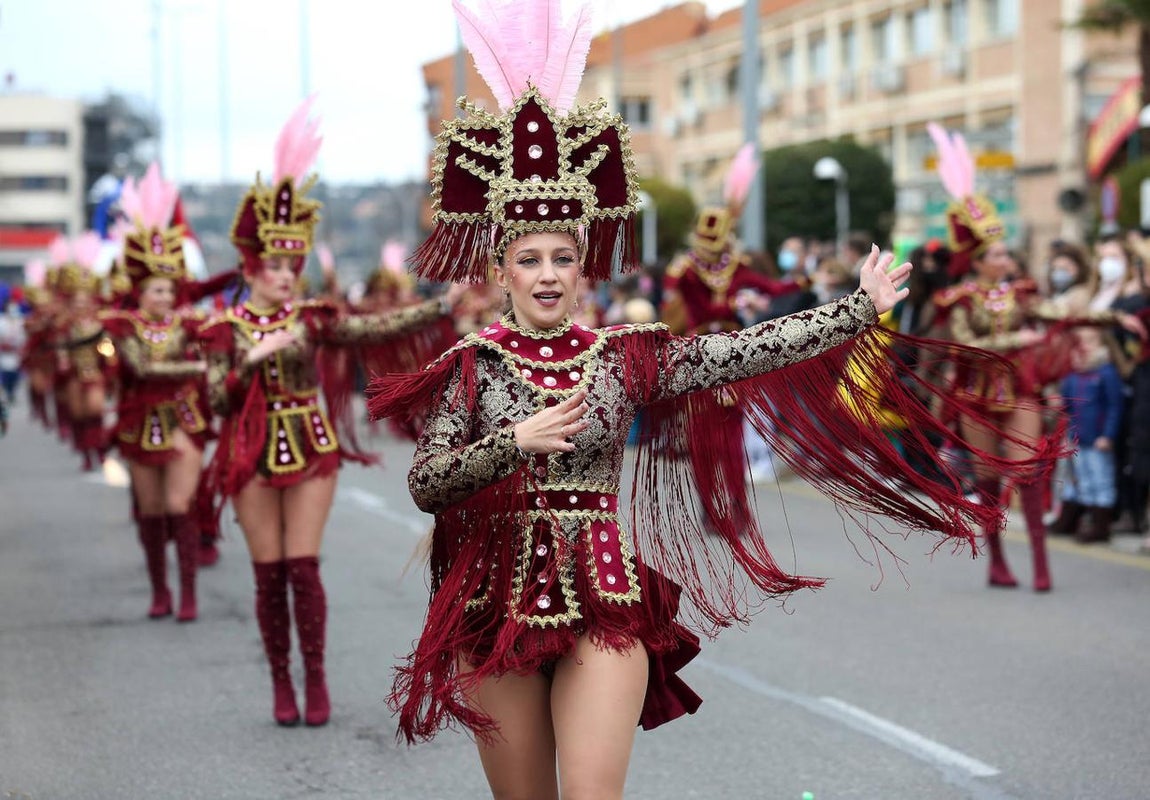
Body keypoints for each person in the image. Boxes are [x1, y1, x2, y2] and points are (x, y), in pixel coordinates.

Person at [366, 5, 1054, 796]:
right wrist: (511, 444)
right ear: (503, 269)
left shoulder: (624, 358)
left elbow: (743, 347)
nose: (550, 273)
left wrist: (855, 312)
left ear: (585, 267)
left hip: (604, 599)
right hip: (496, 606)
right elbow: (426, 481)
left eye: (564, 256)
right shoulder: (469, 367)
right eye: (531, 259)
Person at [198, 96, 457, 728]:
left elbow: (375, 329)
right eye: (275, 265)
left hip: (311, 448)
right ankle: (281, 682)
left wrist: (439, 306)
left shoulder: (314, 319)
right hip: (247, 450)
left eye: (294, 264)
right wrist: (257, 354)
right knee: (268, 574)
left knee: (303, 567)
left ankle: (316, 676)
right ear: (251, 265)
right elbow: (212, 399)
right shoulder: (224, 327)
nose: (287, 275)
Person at [927, 122, 1144, 591]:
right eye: (999, 253)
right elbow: (968, 344)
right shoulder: (959, 299)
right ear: (979, 259)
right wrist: (1019, 341)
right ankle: (998, 562)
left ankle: (1041, 563)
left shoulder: (1022, 293)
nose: (1007, 259)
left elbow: (1058, 313)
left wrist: (1111, 320)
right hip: (975, 395)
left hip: (1017, 391)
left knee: (1026, 471)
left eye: (1007, 253)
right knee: (986, 481)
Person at [99, 163, 219, 622]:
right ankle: (159, 589)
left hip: (182, 419)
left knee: (177, 504)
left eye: (169, 289)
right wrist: (186, 365)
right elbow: (139, 367)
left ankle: (188, 590)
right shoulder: (123, 326)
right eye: (154, 290)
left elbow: (208, 359)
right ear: (140, 291)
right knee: (149, 511)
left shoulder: (193, 323)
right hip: (138, 421)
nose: (163, 297)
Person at [1052, 334, 1125, 542]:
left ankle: (1101, 525)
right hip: (1078, 437)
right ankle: (1085, 521)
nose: (1084, 346)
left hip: (1096, 439)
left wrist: (1108, 435)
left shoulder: (1106, 373)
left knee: (1100, 480)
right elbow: (1067, 405)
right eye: (1081, 342)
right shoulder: (1075, 374)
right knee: (1082, 480)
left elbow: (1114, 406)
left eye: (1090, 341)